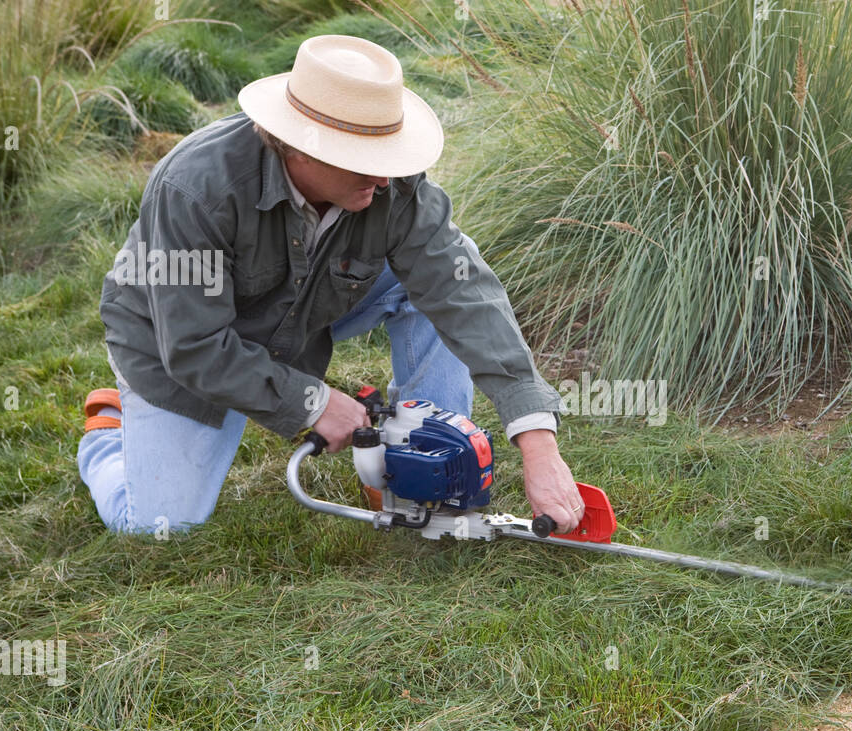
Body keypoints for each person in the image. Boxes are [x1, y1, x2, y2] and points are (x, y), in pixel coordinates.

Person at [77, 34, 584, 535]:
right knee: (158, 524)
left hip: (303, 308)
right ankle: (109, 429)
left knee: (435, 281)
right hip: (173, 342)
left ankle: (421, 470)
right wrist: (313, 402)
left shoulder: (390, 184)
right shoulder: (195, 188)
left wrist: (538, 443)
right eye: (368, 161)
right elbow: (192, 346)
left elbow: (463, 292)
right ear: (299, 147)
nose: (385, 182)